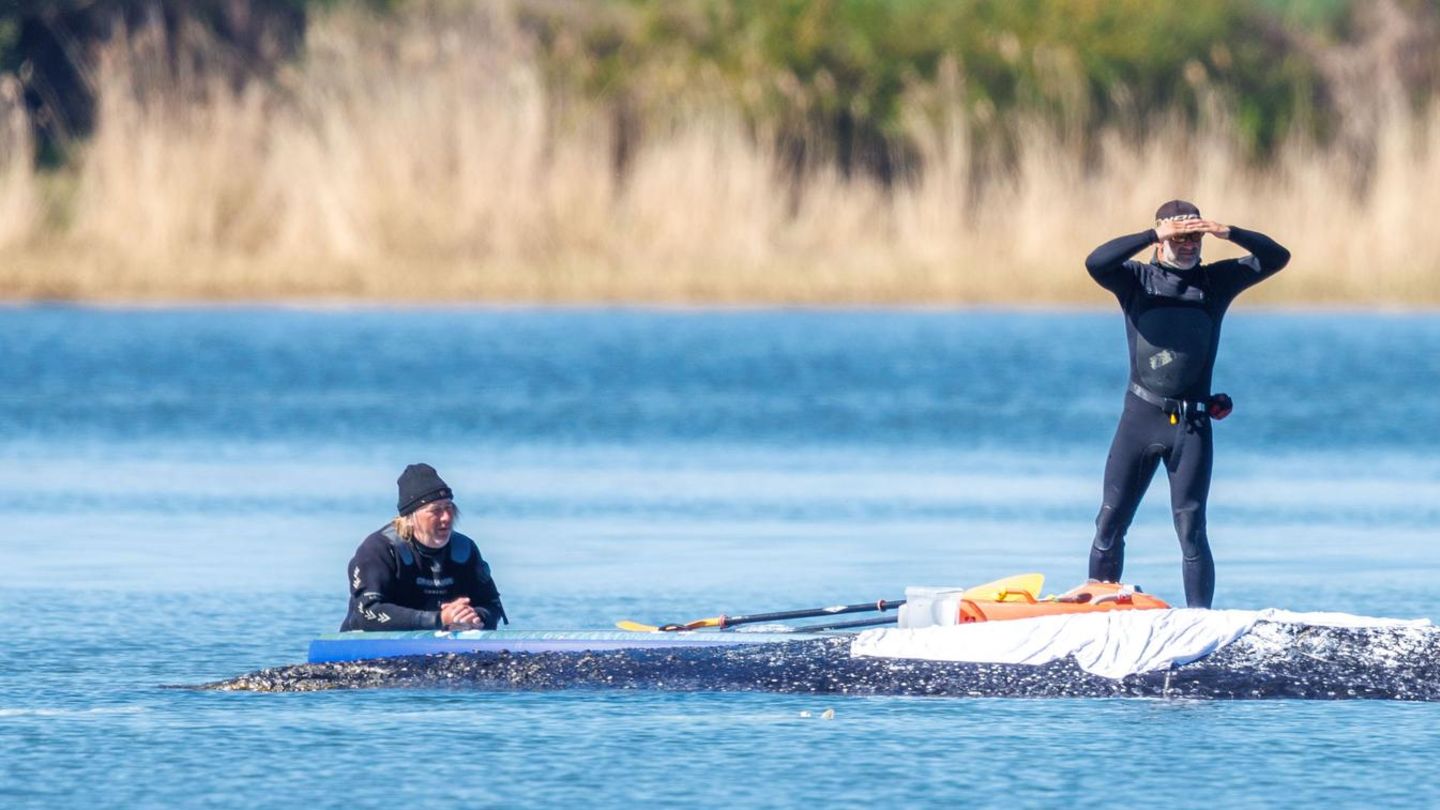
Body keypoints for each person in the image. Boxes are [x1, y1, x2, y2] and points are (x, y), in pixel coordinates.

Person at [1085, 200, 1290, 608]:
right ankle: (1097, 609)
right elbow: (1096, 263)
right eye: (1178, 238)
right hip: (1140, 419)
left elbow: (1276, 257)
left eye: (1194, 237)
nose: (1188, 245)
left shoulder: (1216, 283)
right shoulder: (1136, 280)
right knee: (1110, 521)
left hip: (1191, 427)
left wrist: (1227, 231)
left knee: (1192, 527)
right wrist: (1151, 236)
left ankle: (1199, 622)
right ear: (1162, 239)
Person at [341, 463, 507, 631]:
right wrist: (439, 619)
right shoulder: (379, 549)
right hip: (365, 646)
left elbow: (492, 604)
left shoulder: (464, 549)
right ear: (410, 518)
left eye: (449, 508)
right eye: (436, 511)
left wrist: (474, 618)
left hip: (443, 643)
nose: (446, 518)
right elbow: (368, 613)